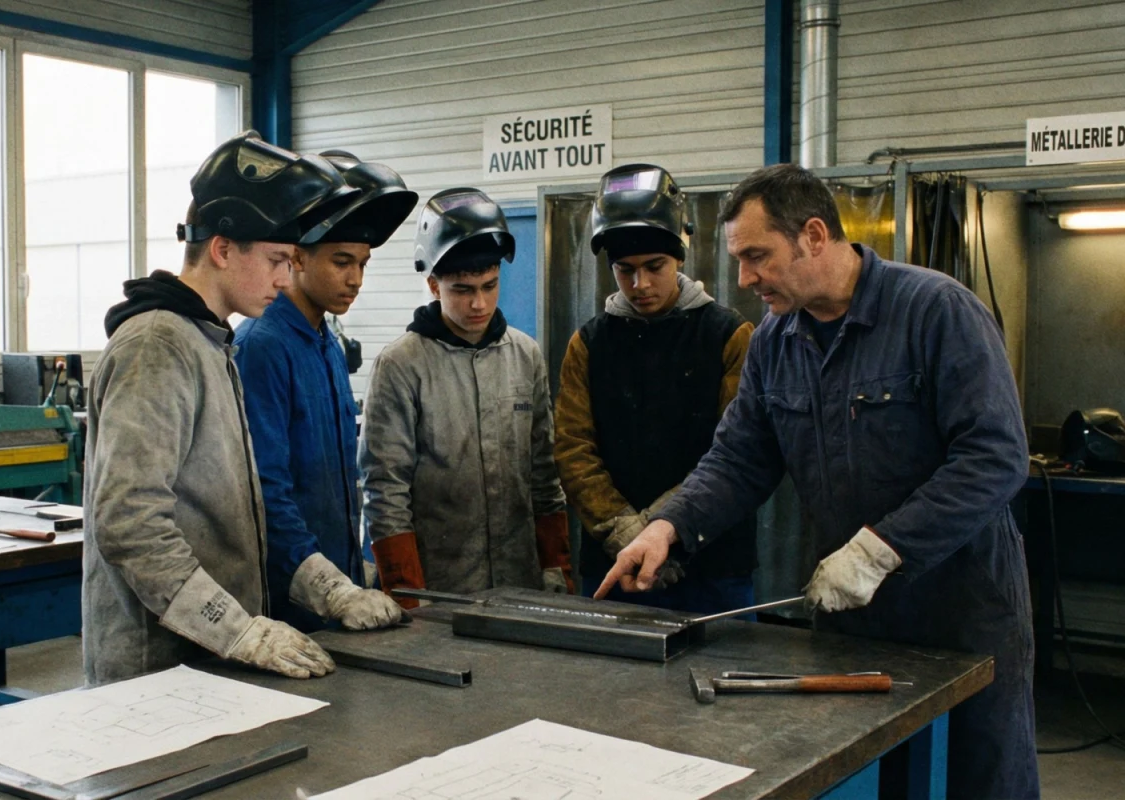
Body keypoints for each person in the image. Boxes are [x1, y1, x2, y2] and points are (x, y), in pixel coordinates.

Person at [597, 164, 1038, 798]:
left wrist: (882, 549)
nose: (744, 279)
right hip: (852, 621)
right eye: (739, 260)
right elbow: (739, 458)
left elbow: (995, 457)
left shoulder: (936, 312)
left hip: (961, 616)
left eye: (757, 257)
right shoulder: (775, 341)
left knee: (976, 781)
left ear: (812, 235)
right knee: (869, 780)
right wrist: (667, 527)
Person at [83, 132, 358, 685]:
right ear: (223, 249)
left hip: (208, 660)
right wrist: (236, 630)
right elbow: (129, 523)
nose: (285, 279)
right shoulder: (157, 346)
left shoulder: (210, 343)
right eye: (277, 260)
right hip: (157, 671)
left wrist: (326, 588)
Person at [555, 163, 758, 613]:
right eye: (624, 270)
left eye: (654, 266)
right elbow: (573, 450)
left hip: (712, 564)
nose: (640, 284)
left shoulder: (730, 336)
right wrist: (625, 533)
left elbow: (735, 450)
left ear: (680, 257)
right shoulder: (588, 344)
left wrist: (664, 530)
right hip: (614, 561)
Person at [234, 151, 419, 632]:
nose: (355, 279)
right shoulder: (262, 346)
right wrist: (327, 588)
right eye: (341, 262)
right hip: (287, 607)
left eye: (362, 263)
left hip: (338, 596)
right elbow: (265, 493)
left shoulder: (327, 344)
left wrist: (354, 576)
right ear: (297, 256)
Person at [361, 188, 572, 605]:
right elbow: (385, 492)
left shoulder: (525, 356)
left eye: (489, 286)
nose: (479, 303)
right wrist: (407, 594)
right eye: (462, 290)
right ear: (433, 285)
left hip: (520, 582)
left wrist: (556, 564)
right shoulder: (401, 366)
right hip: (441, 591)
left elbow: (544, 473)